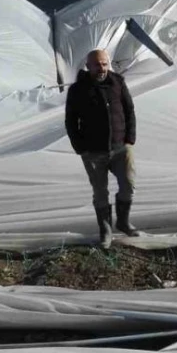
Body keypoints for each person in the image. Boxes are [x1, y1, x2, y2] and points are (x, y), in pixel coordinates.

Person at [64, 49, 138, 241]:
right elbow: (71, 121)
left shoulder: (118, 82)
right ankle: (105, 230)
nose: (101, 68)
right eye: (97, 65)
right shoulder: (78, 90)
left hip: (121, 147)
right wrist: (80, 148)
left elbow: (129, 110)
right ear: (88, 66)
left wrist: (130, 138)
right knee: (100, 192)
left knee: (128, 185)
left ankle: (123, 222)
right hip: (93, 151)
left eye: (104, 64)